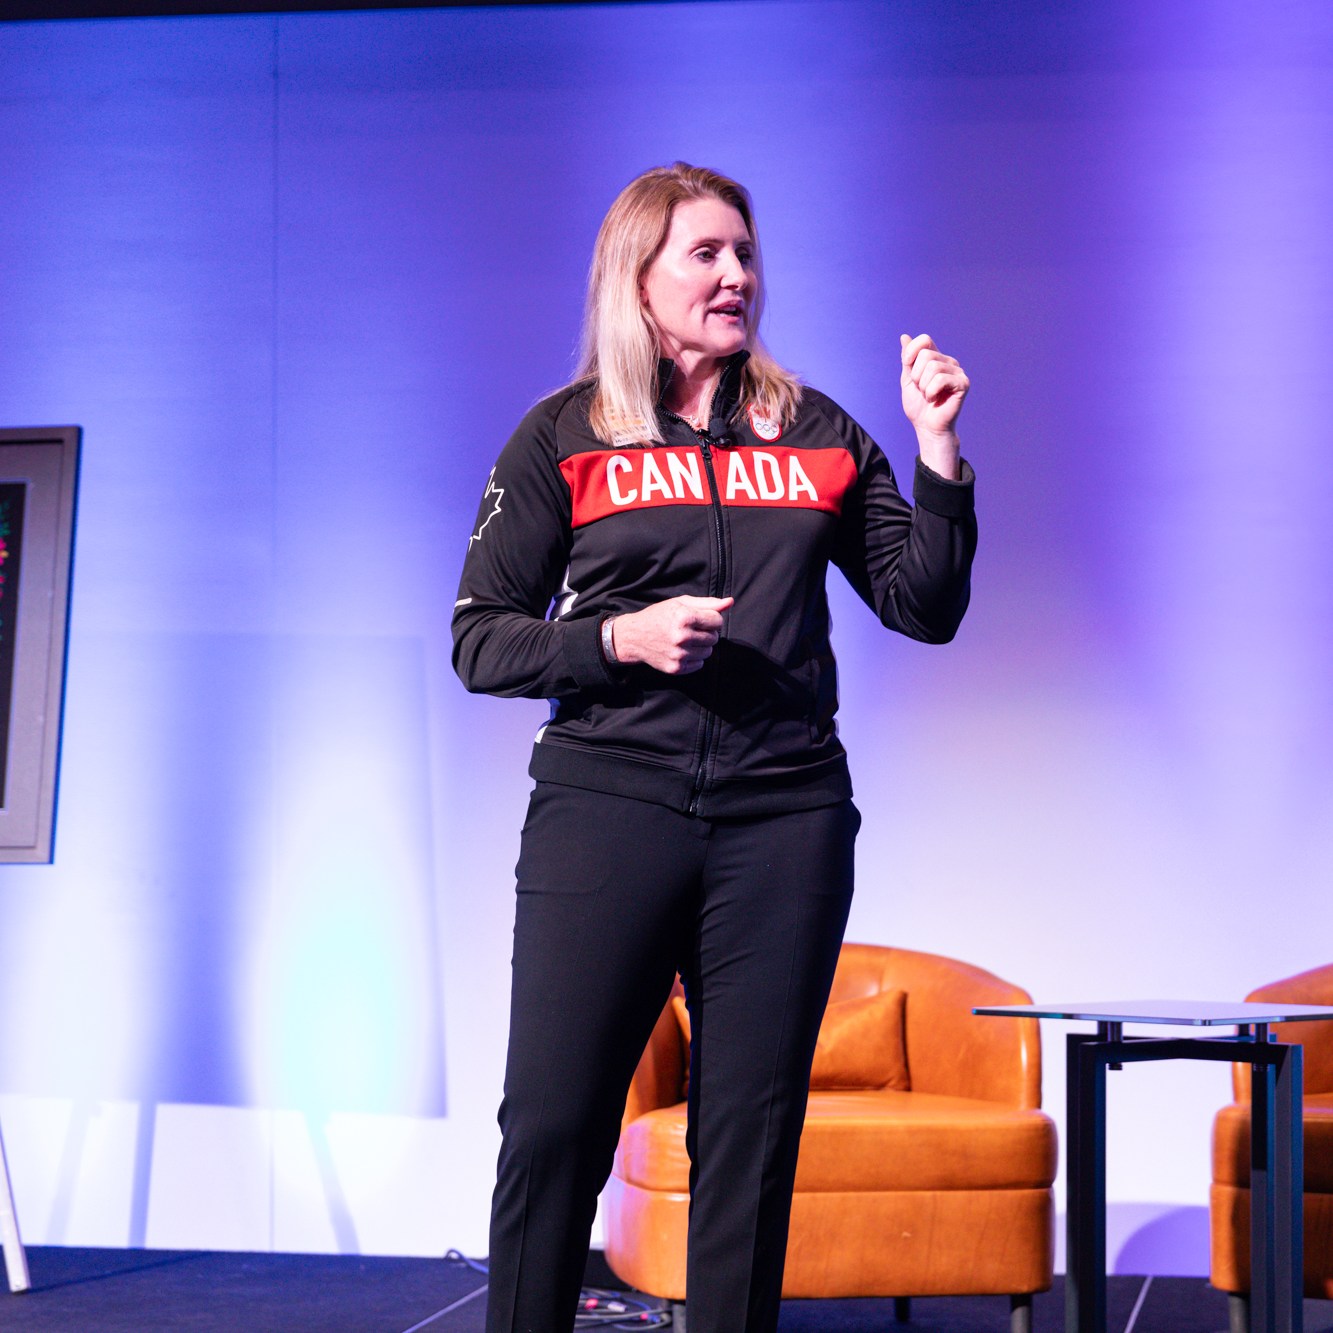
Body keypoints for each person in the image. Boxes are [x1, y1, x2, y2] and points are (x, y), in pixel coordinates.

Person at [452, 162, 976, 1333]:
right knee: (553, 1122)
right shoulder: (565, 436)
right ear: (636, 279)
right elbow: (479, 641)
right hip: (608, 806)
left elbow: (921, 603)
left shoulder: (818, 431)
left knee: (749, 1134)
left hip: (783, 819)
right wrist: (616, 638)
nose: (736, 276)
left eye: (744, 254)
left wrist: (938, 454)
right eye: (706, 254)